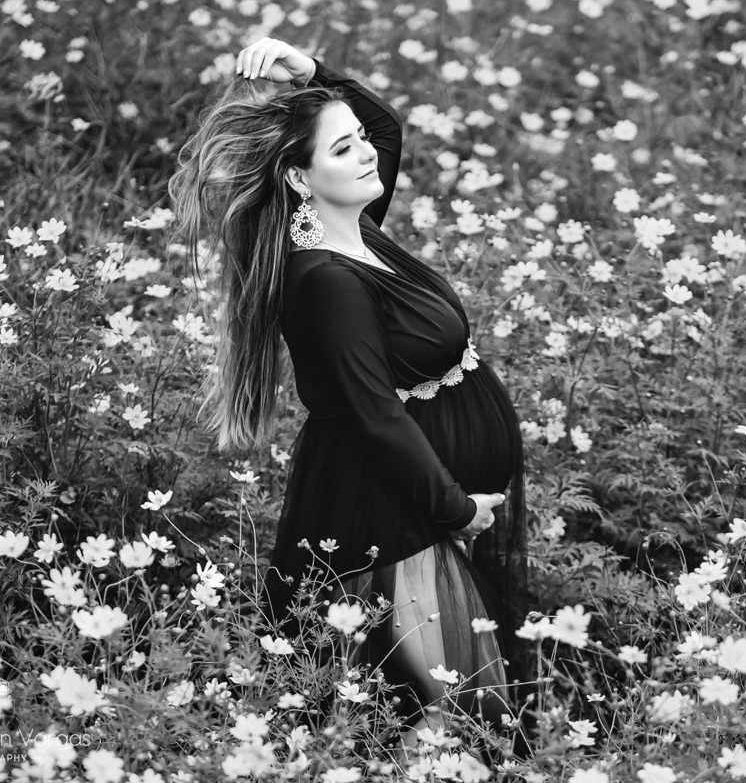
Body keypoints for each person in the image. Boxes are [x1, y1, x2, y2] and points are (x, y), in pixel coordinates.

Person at [169, 37, 528, 754]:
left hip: (423, 501)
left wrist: (311, 74)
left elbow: (386, 126)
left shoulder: (359, 232)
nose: (366, 154)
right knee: (452, 712)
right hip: (396, 511)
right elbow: (375, 414)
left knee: (434, 711)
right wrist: (457, 509)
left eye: (359, 141)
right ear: (300, 179)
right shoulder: (328, 280)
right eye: (343, 149)